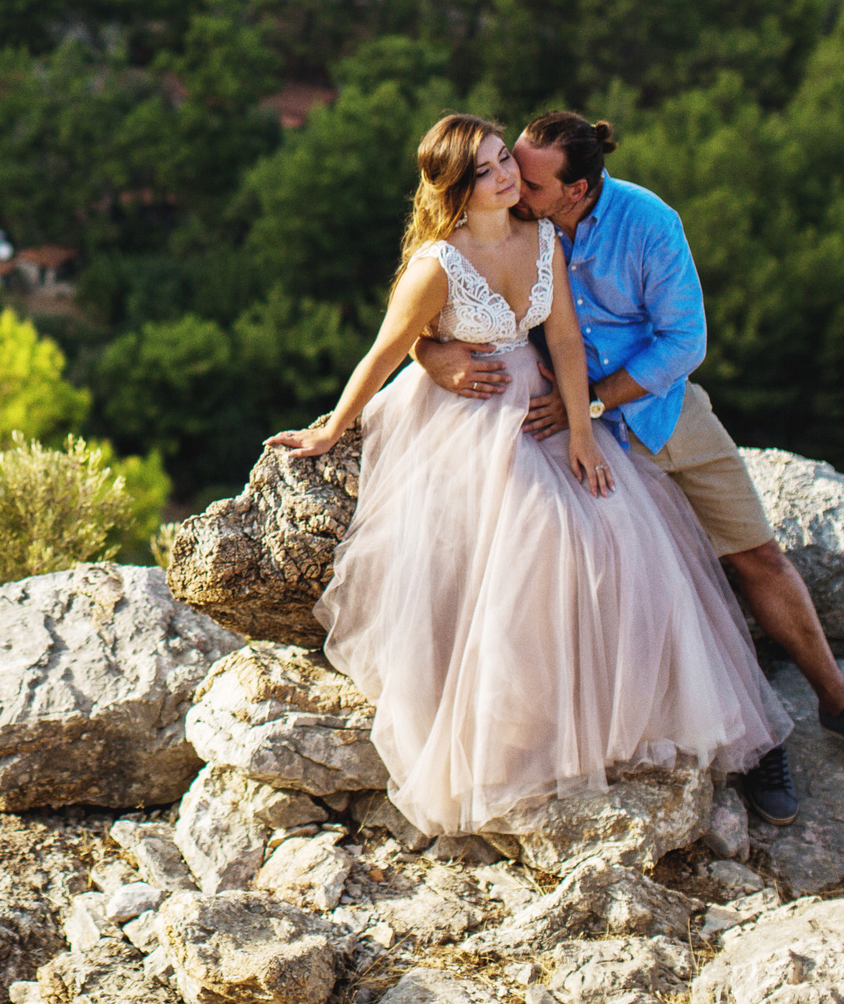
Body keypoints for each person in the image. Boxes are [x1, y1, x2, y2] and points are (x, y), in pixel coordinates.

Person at [272, 114, 791, 839]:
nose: (507, 175)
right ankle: (512, 734)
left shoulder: (542, 236)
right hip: (469, 419)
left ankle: (620, 719)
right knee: (536, 543)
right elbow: (388, 349)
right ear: (457, 188)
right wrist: (333, 425)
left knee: (617, 529)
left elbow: (568, 340)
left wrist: (583, 432)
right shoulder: (436, 264)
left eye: (506, 163)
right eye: (487, 169)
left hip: (546, 406)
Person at [407, 111, 844, 826]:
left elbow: (685, 339)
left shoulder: (647, 222)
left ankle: (838, 703)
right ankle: (680, 733)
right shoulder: (517, 219)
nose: (512, 183)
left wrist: (593, 402)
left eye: (530, 177)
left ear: (575, 188)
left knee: (755, 555)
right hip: (561, 425)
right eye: (510, 168)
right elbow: (430, 303)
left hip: (654, 412)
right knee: (589, 572)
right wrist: (435, 356)